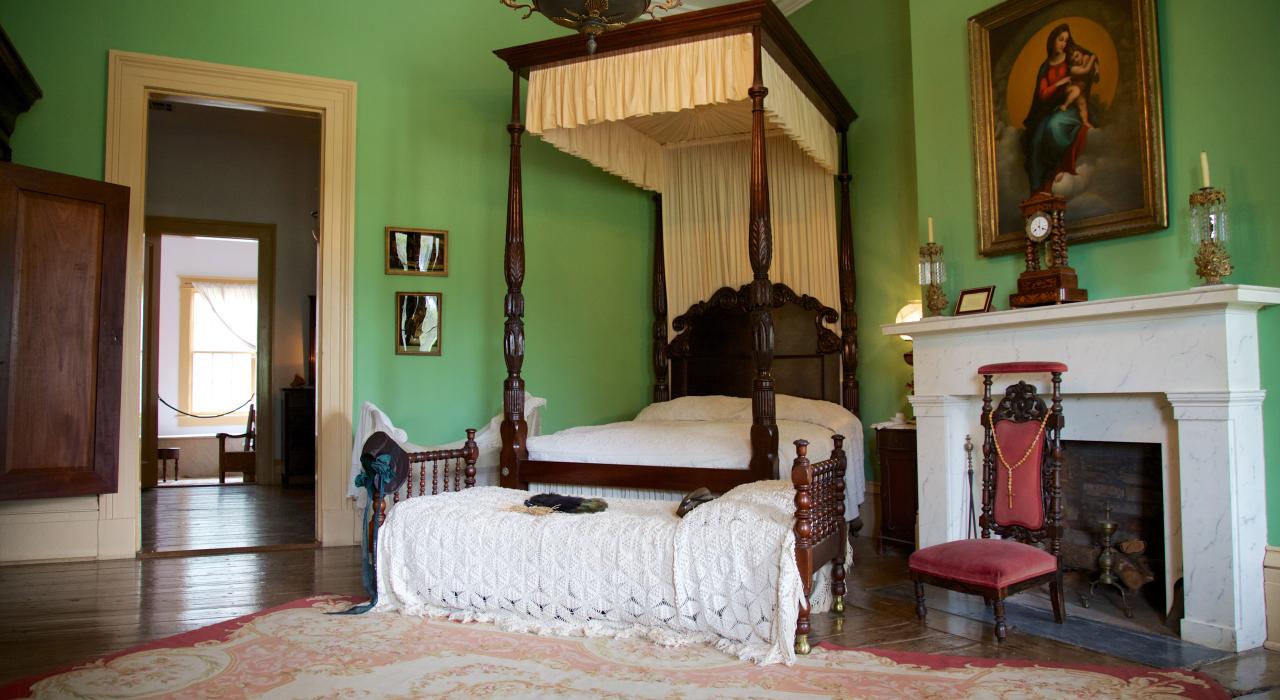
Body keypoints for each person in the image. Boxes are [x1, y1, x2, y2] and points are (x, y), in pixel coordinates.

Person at [1021, 23, 1094, 193]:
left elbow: (1089, 63)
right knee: (1036, 142)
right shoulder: (1045, 67)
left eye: (1066, 41)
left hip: (1071, 107)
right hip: (1050, 110)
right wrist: (1058, 84)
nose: (1063, 44)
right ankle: (1038, 192)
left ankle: (1061, 166)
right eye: (1060, 40)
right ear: (1052, 40)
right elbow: (1043, 95)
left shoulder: (1070, 58)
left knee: (1054, 127)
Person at [1060, 48, 1098, 129]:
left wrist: (1096, 71)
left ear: (1081, 52)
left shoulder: (1085, 57)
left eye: (1077, 56)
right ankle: (1065, 105)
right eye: (1073, 61)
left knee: (1082, 105)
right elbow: (1086, 70)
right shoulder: (1073, 69)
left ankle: (1085, 122)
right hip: (1073, 87)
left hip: (1082, 88)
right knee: (1076, 92)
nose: (1076, 60)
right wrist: (1093, 58)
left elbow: (1094, 65)